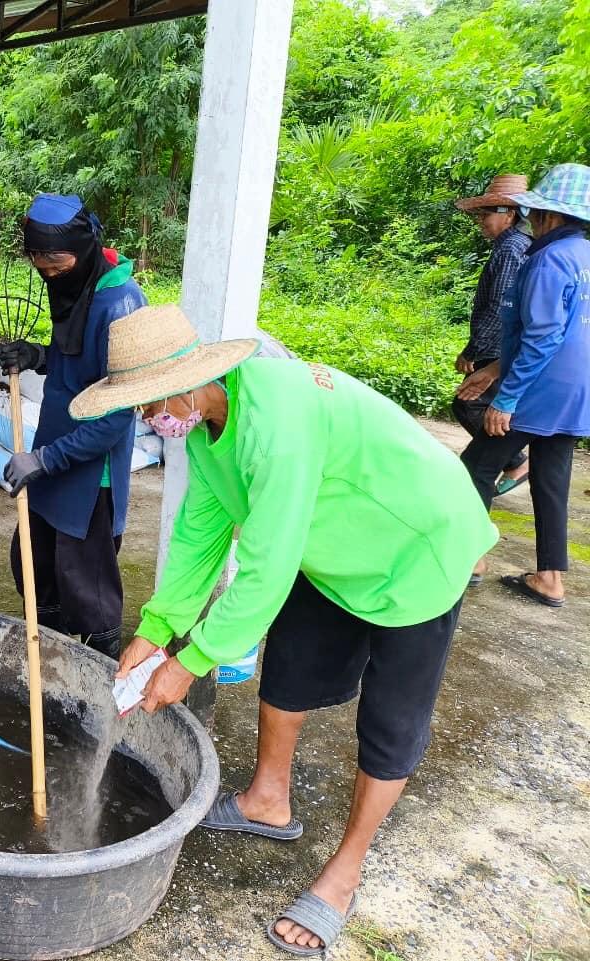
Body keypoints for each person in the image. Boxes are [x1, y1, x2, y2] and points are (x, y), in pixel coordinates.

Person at [71, 304, 496, 956]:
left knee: (390, 720)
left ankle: (345, 871)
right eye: (139, 409)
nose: (150, 421)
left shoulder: (275, 421)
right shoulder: (211, 426)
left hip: (415, 542)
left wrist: (192, 661)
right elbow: (199, 535)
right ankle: (268, 800)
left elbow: (264, 570)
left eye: (152, 404)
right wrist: (155, 633)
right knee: (291, 667)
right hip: (330, 548)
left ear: (189, 380)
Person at [0, 194, 147, 659]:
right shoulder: (72, 283)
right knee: (37, 570)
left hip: (88, 474)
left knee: (89, 588)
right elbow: (74, 362)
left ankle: (98, 676)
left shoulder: (120, 304)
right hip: (51, 457)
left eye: (55, 257)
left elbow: (116, 415)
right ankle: (53, 665)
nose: (46, 268)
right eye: (37, 256)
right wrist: (38, 357)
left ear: (83, 246)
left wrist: (44, 460)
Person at [457, 163, 590, 608]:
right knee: (552, 480)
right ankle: (550, 579)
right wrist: (494, 369)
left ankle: (471, 558)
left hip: (542, 390)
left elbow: (543, 335)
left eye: (536, 212)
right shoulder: (584, 256)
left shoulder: (550, 259)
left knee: (476, 465)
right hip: (577, 395)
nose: (532, 218)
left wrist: (507, 396)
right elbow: (567, 331)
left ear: (551, 216)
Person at [451, 173, 532, 496]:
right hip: (500, 347)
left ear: (509, 214)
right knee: (471, 404)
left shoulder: (512, 249)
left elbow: (500, 305)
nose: (481, 221)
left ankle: (515, 461)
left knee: (470, 403)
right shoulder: (510, 246)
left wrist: (474, 351)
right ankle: (513, 460)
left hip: (498, 348)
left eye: (487, 214)